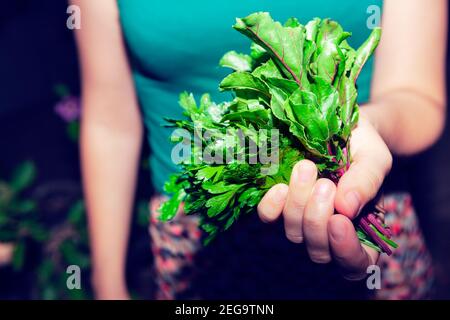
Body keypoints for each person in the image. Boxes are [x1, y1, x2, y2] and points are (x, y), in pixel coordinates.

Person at [73, 0, 446, 299]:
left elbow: (417, 96)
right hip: (199, 231)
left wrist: (359, 125)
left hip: (365, 206)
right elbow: (110, 122)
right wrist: (107, 285)